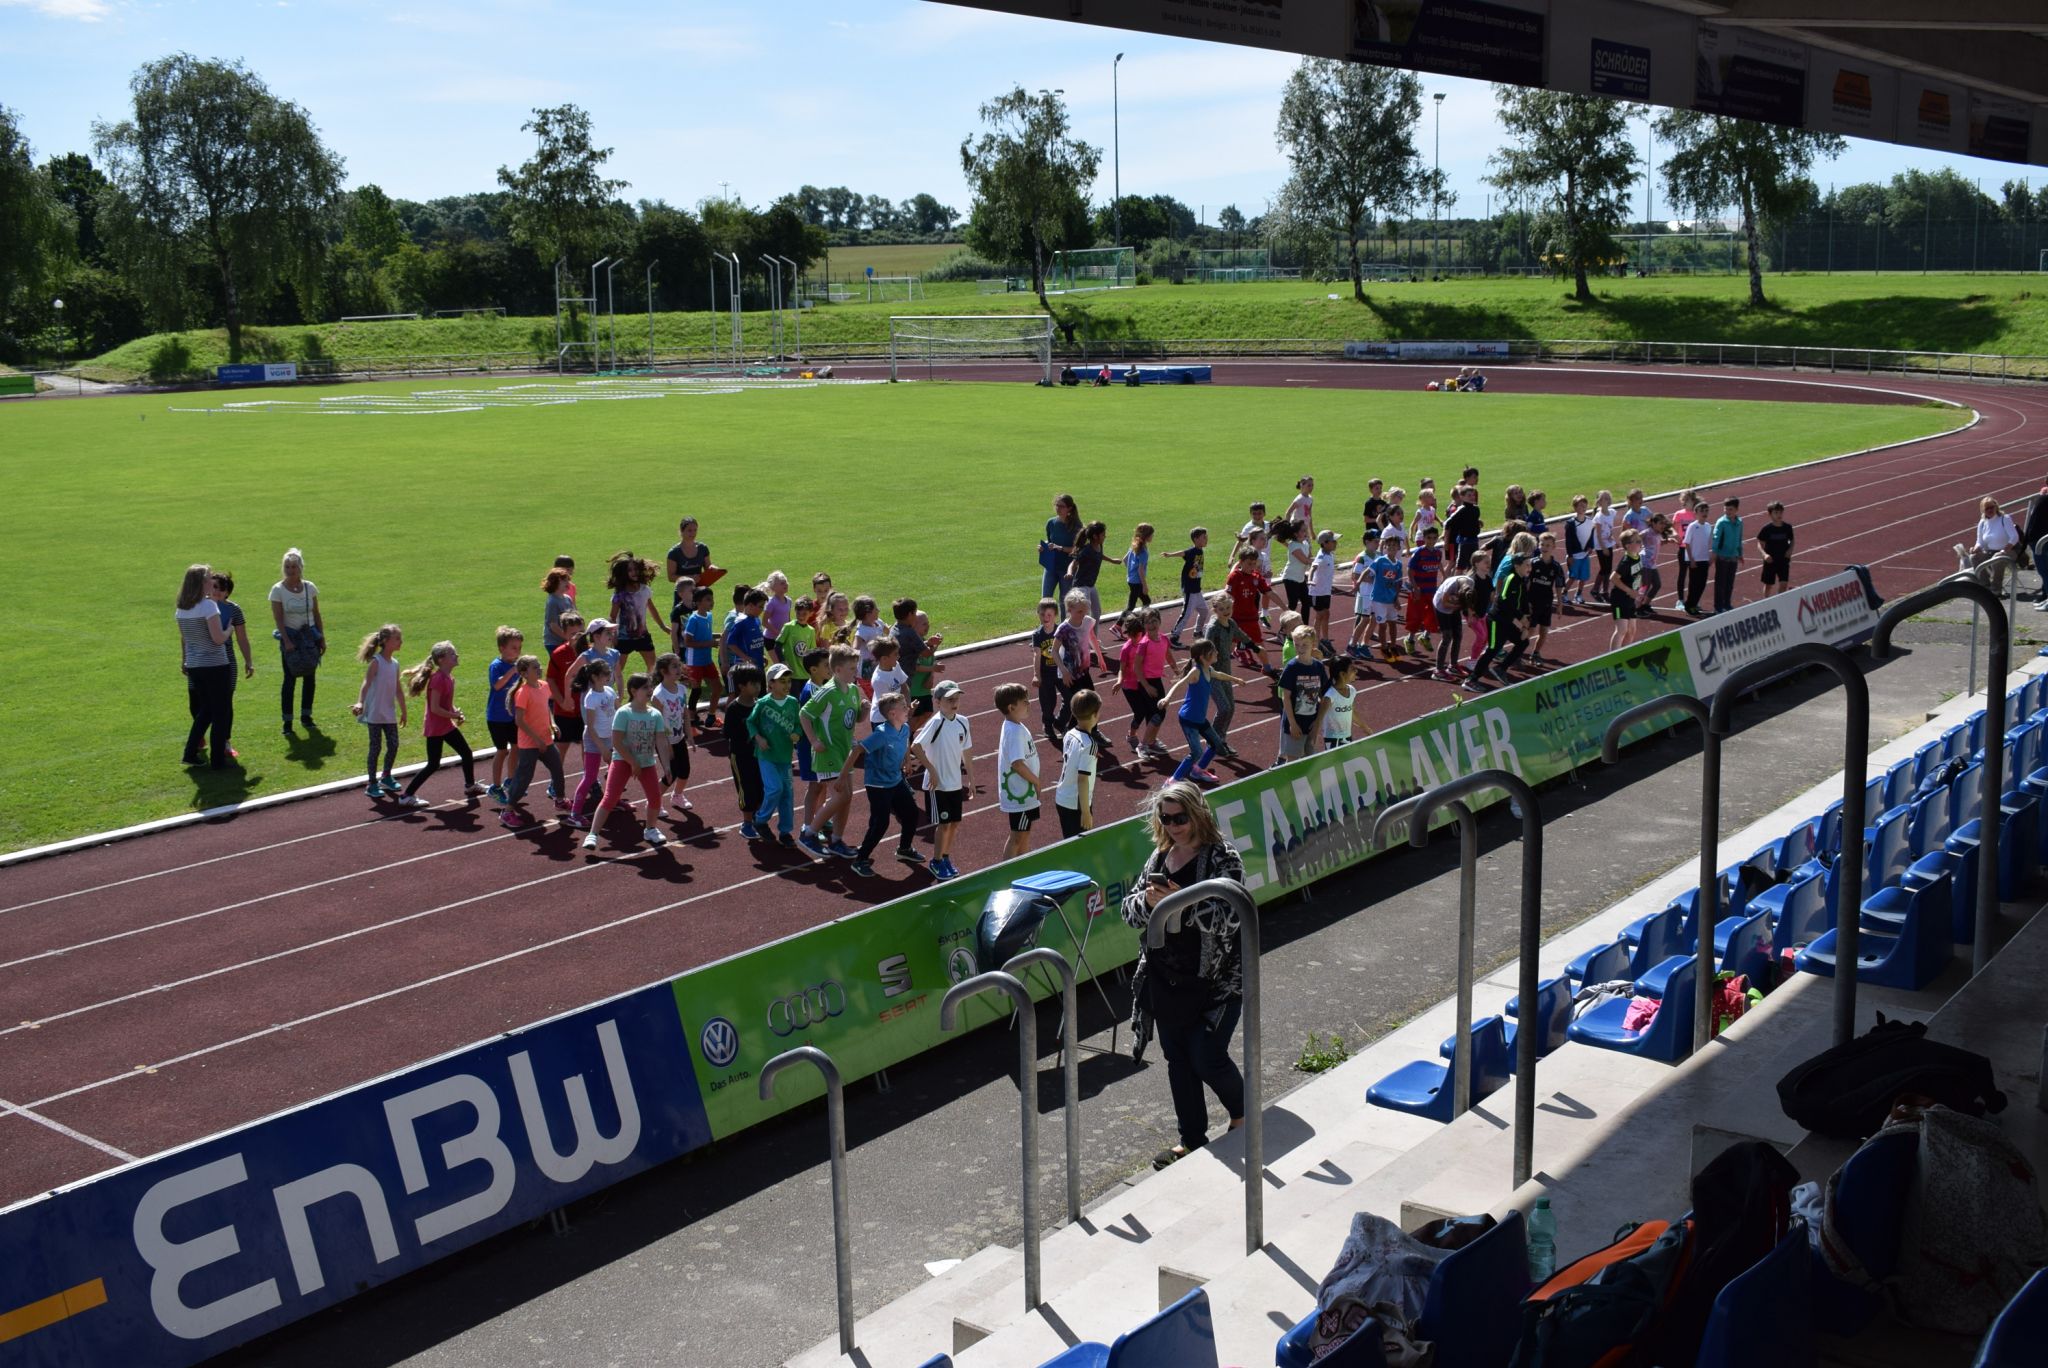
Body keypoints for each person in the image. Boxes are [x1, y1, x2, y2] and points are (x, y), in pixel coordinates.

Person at [1121, 781, 1248, 1170]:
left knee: (1206, 1056)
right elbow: (1128, 912)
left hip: (1218, 983)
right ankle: (1191, 1139)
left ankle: (1243, 1115)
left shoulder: (1223, 858)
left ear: (1197, 814)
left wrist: (1181, 904)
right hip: (1168, 980)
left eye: (1180, 818)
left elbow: (1230, 917)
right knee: (1178, 1059)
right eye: (1166, 818)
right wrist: (1148, 902)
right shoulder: (1160, 857)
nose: (1173, 826)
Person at [582, 672, 671, 852]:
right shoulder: (624, 713)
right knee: (610, 798)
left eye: (650, 686)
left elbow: (661, 741)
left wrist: (667, 766)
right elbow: (616, 742)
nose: (650, 690)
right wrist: (633, 763)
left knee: (655, 797)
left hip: (646, 762)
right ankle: (593, 834)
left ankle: (650, 829)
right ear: (633, 691)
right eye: (645, 687)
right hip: (622, 760)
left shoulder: (655, 714)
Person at [397, 640, 488, 808]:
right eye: (452, 654)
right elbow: (435, 708)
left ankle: (470, 785)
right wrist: (453, 715)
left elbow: (446, 704)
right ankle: (406, 796)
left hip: (445, 725)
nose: (456, 655)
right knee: (433, 764)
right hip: (435, 727)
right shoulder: (438, 680)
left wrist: (456, 712)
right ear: (441, 660)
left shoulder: (449, 678)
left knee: (466, 753)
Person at [846, 690, 926, 878]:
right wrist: (843, 777)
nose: (908, 709)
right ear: (892, 714)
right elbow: (858, 750)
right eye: (904, 707)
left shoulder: (904, 727)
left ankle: (904, 849)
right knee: (880, 823)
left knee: (911, 813)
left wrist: (907, 761)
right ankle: (860, 860)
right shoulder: (881, 735)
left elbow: (905, 742)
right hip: (877, 785)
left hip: (895, 779)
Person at [799, 645, 864, 859]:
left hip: (845, 752)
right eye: (851, 668)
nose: (855, 671)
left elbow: (854, 719)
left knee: (847, 797)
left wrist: (863, 711)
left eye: (856, 667)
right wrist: (813, 740)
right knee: (841, 795)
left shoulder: (852, 690)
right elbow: (804, 714)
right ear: (837, 669)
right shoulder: (827, 692)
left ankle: (836, 840)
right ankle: (809, 833)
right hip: (828, 752)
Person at [498, 654, 569, 830]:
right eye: (535, 667)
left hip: (545, 740)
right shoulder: (523, 693)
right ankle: (507, 811)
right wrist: (537, 740)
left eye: (539, 666)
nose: (539, 669)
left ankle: (560, 800)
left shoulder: (544, 686)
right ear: (524, 673)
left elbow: (546, 708)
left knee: (557, 769)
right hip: (530, 744)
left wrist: (553, 724)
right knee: (524, 778)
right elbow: (519, 721)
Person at [176, 564, 236, 769]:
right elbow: (218, 639)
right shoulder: (209, 606)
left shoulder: (182, 609)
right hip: (215, 665)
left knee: (206, 711)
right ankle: (218, 761)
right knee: (220, 713)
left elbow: (186, 639)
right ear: (202, 583)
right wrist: (229, 630)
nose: (212, 581)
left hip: (195, 665)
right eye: (209, 578)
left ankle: (190, 752)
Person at [912, 679, 972, 880]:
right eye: (949, 700)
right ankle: (936, 861)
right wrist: (931, 770)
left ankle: (945, 857)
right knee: (944, 824)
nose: (954, 703)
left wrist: (971, 779)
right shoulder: (936, 723)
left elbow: (967, 750)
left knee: (954, 823)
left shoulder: (963, 721)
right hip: (937, 785)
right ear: (937, 702)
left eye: (956, 699)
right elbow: (916, 746)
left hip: (955, 783)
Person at [1161, 639, 1240, 786]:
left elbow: (1219, 675)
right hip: (1189, 719)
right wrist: (1167, 698)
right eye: (1213, 651)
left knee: (1217, 744)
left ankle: (1197, 771)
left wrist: (1236, 679)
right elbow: (1180, 684)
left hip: (1200, 719)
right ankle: (1172, 781)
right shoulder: (1196, 671)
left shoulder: (1208, 670)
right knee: (1196, 752)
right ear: (1203, 657)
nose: (1217, 652)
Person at [268, 549, 325, 736]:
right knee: (289, 679)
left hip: (309, 637)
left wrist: (321, 637)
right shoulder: (278, 590)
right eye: (287, 567)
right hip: (291, 637)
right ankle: (287, 722)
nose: (290, 570)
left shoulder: (309, 587)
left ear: (300, 567)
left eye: (293, 567)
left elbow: (316, 614)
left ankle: (306, 716)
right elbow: (278, 618)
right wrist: (286, 640)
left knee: (310, 677)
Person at [351, 623, 406, 796]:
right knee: (375, 748)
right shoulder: (377, 662)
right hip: (375, 713)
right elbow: (366, 683)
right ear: (386, 641)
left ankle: (386, 776)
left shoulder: (395, 664)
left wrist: (404, 711)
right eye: (397, 638)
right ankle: (372, 783)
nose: (401, 642)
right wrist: (360, 703)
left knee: (394, 745)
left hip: (389, 713)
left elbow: (398, 689)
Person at [750, 662, 802, 844]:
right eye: (782, 681)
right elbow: (750, 722)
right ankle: (760, 819)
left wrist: (797, 734)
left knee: (787, 793)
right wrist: (758, 738)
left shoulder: (793, 702)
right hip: (767, 756)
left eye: (789, 681)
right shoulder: (763, 703)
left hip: (785, 756)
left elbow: (798, 724)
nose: (787, 685)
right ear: (771, 683)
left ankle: (785, 831)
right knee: (775, 789)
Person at [1467, 552, 1532, 690]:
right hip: (1497, 620)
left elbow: (1524, 602)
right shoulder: (1511, 579)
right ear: (1517, 566)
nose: (1529, 567)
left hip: (1508, 620)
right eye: (1526, 565)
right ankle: (1471, 680)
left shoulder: (1522, 580)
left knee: (1523, 642)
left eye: (1530, 565)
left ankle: (1500, 669)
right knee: (1493, 649)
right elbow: (1503, 601)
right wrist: (1520, 620)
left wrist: (1525, 622)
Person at [567, 657, 618, 829]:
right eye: (606, 674)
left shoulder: (609, 691)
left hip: (610, 738)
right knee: (589, 777)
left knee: (617, 773)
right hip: (594, 740)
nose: (609, 676)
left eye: (609, 673)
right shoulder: (591, 698)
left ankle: (613, 800)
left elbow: (617, 712)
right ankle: (575, 814)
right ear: (595, 677)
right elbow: (590, 727)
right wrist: (603, 748)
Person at [994, 682, 1041, 860]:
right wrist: (1036, 782)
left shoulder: (1016, 726)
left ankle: (1024, 867)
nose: (1029, 704)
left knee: (1024, 833)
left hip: (1025, 793)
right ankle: (1007, 871)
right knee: (1017, 836)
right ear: (1011, 707)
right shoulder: (1014, 731)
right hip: (1020, 794)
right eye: (1025, 701)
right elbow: (1018, 764)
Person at [209, 572, 253, 758]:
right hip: (204, 660)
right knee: (202, 702)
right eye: (213, 586)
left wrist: (248, 661)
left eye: (219, 588)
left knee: (226, 701)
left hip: (227, 660)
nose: (215, 591)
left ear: (227, 592)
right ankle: (200, 735)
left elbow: (242, 638)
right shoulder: (201, 606)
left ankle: (225, 741)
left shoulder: (234, 610)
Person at [723, 663, 766, 840]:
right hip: (741, 755)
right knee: (746, 788)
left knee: (761, 787)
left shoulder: (761, 705)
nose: (758, 687)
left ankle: (757, 818)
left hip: (760, 756)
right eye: (753, 684)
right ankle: (747, 823)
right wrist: (750, 735)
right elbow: (728, 733)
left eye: (759, 683)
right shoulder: (734, 709)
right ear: (741, 686)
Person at [650, 652, 695, 819]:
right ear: (664, 671)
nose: (679, 669)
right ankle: (654, 801)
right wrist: (667, 746)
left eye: (679, 665)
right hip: (664, 741)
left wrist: (689, 735)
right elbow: (658, 724)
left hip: (679, 738)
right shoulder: (659, 695)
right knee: (671, 773)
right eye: (674, 666)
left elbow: (685, 713)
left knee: (685, 771)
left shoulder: (681, 689)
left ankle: (677, 796)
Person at [1052, 689, 1100, 840]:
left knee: (1070, 842)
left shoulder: (1069, 733)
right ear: (1095, 714)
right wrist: (1085, 812)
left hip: (1062, 797)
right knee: (1081, 845)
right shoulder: (1089, 744)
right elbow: (1082, 779)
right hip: (1076, 803)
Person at [1277, 626, 1329, 762]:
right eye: (1297, 644)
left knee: (1310, 760)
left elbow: (1325, 696)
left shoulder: (1318, 667)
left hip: (1311, 723)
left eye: (1305, 645)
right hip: (1295, 724)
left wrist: (1317, 723)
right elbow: (1286, 697)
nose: (1300, 648)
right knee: (1293, 762)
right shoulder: (1292, 667)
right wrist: (1293, 724)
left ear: (1313, 644)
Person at [484, 626, 523, 799]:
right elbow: (497, 685)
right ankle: (495, 786)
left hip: (512, 716)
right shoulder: (497, 666)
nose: (518, 651)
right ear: (502, 648)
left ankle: (511, 779)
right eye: (514, 648)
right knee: (502, 751)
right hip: (497, 717)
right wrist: (512, 671)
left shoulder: (517, 665)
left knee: (516, 747)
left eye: (519, 648)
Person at [679, 586, 720, 729]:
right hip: (694, 661)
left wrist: (719, 636)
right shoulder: (693, 619)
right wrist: (710, 643)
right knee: (696, 690)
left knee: (718, 688)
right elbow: (688, 642)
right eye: (708, 599)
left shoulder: (709, 616)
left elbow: (705, 635)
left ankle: (711, 715)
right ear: (698, 602)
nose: (712, 602)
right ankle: (691, 718)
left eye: (712, 599)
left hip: (707, 659)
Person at [1165, 526, 1212, 645]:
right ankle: (1174, 637)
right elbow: (1183, 553)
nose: (1206, 539)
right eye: (1204, 537)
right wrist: (1169, 555)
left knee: (1204, 611)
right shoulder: (1192, 551)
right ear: (1196, 539)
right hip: (1190, 589)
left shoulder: (1200, 551)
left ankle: (1198, 631)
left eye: (1206, 536)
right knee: (1186, 614)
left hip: (1197, 589)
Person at [1404, 525, 1443, 655]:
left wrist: (1445, 577)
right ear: (1424, 538)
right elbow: (1410, 570)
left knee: (1433, 615)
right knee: (1416, 616)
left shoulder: (1438, 553)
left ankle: (1425, 637)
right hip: (1419, 591)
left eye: (1434, 538)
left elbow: (1439, 565)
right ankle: (1409, 640)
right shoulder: (1419, 552)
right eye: (1429, 538)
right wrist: (1415, 587)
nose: (1431, 540)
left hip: (1432, 590)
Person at [1970, 494, 2020, 593]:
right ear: (1983, 510)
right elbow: (1980, 541)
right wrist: (1975, 548)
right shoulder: (1982, 523)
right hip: (1990, 552)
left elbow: (2014, 537)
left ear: (1996, 507)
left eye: (1992, 507)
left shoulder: (2004, 518)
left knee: (1997, 558)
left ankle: (1996, 589)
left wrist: (2004, 550)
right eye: (1987, 508)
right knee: (1974, 557)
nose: (1990, 510)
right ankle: (1985, 586)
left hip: (2009, 552)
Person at [1039, 493, 1083, 599]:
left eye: (1061, 506)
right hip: (1050, 566)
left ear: (1069, 508)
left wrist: (1060, 548)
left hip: (1067, 569)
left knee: (1065, 601)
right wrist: (1043, 547)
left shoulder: (1077, 526)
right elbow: (1051, 541)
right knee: (1045, 599)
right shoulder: (1051, 523)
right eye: (1056, 505)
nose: (1058, 508)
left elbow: (1078, 549)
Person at [1529, 534, 1565, 666]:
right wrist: (1526, 601)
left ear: (1554, 547)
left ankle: (1535, 654)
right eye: (1542, 544)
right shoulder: (1532, 563)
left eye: (1548, 545)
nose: (1544, 547)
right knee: (1529, 631)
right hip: (1532, 602)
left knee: (1544, 632)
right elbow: (1526, 583)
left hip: (1547, 603)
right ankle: (1517, 653)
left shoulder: (1556, 566)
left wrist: (1560, 604)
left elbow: (1559, 585)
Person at [1611, 528, 1649, 650]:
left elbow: (1637, 576)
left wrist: (1639, 593)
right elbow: (1613, 578)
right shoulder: (1626, 561)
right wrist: (1630, 591)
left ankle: (1624, 654)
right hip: (1620, 599)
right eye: (1636, 541)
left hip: (1630, 599)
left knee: (1631, 630)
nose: (1640, 543)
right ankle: (1613, 657)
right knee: (1621, 629)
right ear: (1627, 545)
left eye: (1639, 540)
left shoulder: (1637, 557)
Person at [1710, 496, 1744, 614]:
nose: (1727, 512)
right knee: (1720, 583)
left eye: (1730, 509)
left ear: (1736, 510)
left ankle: (1727, 604)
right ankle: (1718, 606)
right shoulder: (1721, 522)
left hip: (1733, 556)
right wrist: (1714, 553)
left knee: (1730, 582)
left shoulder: (1739, 522)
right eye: (1725, 509)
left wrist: (1740, 554)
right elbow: (1716, 539)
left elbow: (1739, 538)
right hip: (1722, 556)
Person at [1069, 520, 1108, 620]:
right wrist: (1069, 572)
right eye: (1103, 535)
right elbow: (1074, 563)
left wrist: (1112, 560)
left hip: (1091, 585)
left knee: (1097, 612)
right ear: (1095, 536)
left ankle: (1094, 631)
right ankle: (1078, 629)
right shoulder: (1086, 550)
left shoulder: (1099, 546)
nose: (1105, 536)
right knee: (1085, 613)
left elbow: (1099, 555)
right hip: (1081, 586)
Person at [1308, 530, 1340, 648]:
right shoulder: (1321, 557)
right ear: (1325, 543)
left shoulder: (1329, 554)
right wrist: (1310, 580)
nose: (1336, 543)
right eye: (1333, 541)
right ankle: (1316, 641)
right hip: (1317, 592)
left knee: (1326, 613)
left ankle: (1325, 639)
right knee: (1320, 614)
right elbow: (1313, 568)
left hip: (1326, 591)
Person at [1682, 500, 1713, 616]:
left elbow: (1709, 543)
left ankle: (1694, 604)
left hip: (1704, 559)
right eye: (1702, 511)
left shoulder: (1708, 526)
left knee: (1702, 584)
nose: (1704, 513)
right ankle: (1689, 605)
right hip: (1695, 560)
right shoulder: (1692, 526)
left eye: (1706, 511)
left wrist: (1710, 557)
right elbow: (1687, 543)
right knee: (1694, 584)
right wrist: (1691, 560)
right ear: (1696, 513)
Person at [1321, 655, 1358, 750]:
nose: (1356, 671)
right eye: (1353, 669)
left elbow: (1352, 712)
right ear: (1342, 674)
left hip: (1347, 736)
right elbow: (1319, 719)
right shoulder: (1330, 695)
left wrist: (1365, 728)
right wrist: (1311, 739)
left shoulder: (1352, 690)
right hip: (1333, 739)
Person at [1562, 495, 1592, 607]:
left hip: (1585, 555)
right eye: (1580, 506)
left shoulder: (1590, 521)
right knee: (1572, 577)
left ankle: (1578, 594)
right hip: (1574, 555)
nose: (1583, 508)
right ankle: (1564, 594)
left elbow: (1591, 535)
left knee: (1583, 577)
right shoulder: (1570, 523)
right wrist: (1570, 555)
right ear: (1575, 507)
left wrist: (1591, 546)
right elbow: (1568, 541)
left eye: (1584, 505)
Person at [1444, 483, 1482, 570]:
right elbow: (1448, 523)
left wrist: (1478, 523)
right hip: (1464, 541)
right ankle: (1457, 578)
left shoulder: (1476, 509)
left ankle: (1470, 578)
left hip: (1474, 540)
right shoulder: (1461, 509)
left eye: (1473, 495)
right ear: (1462, 497)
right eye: (1469, 495)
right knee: (1460, 566)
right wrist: (1446, 540)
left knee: (1473, 564)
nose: (1472, 497)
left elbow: (1472, 520)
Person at [541, 568, 576, 654]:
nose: (568, 583)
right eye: (565, 581)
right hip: (554, 642)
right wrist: (567, 637)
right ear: (555, 583)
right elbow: (553, 625)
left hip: (566, 640)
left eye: (568, 580)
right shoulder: (552, 601)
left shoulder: (567, 599)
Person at [1123, 522, 1155, 614]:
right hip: (1137, 582)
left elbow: (1125, 560)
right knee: (1131, 606)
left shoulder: (1134, 546)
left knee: (1146, 600)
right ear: (1147, 536)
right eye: (1152, 535)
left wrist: (1131, 572)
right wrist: (1145, 586)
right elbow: (1140, 570)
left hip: (1131, 580)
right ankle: (1120, 622)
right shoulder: (1143, 552)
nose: (1153, 537)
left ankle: (1143, 618)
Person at [1590, 490, 1617, 598]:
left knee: (1608, 568)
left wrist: (1613, 539)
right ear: (1599, 502)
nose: (1606, 500)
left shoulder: (1612, 512)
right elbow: (1598, 535)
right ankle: (1595, 589)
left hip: (1608, 543)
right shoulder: (1599, 517)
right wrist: (1603, 548)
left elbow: (1609, 529)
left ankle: (1605, 590)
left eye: (1608, 498)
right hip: (1600, 545)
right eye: (1604, 498)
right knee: (1604, 568)